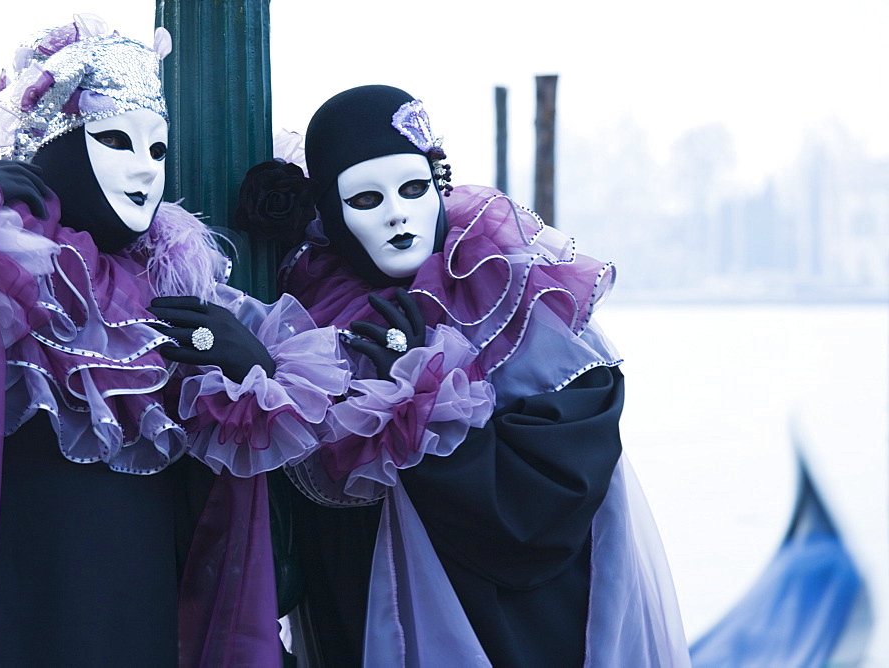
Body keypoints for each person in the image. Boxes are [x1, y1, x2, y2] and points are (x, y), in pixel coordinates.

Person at [0, 15, 346, 666]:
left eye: (158, 149)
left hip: (141, 628)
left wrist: (249, 375)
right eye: (115, 140)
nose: (144, 169)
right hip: (6, 627)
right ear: (53, 147)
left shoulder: (170, 297)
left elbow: (207, 529)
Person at [237, 85, 690, 666]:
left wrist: (427, 389)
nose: (398, 212)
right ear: (329, 214)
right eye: (366, 198)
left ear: (438, 185)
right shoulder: (315, 324)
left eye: (413, 188)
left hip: (523, 631)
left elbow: (553, 494)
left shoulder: (516, 297)